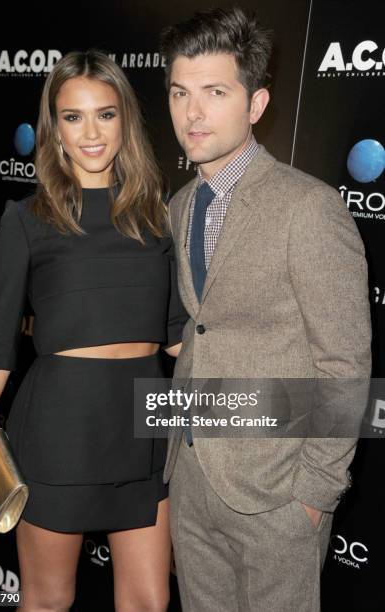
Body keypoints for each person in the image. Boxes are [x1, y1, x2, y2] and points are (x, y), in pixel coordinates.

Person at [0, 49, 187, 612]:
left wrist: (260, 394)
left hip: (145, 428)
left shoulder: (158, 217)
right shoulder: (28, 218)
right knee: (48, 602)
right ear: (54, 127)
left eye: (105, 114)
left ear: (125, 121)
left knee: (149, 602)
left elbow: (180, 336)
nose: (91, 132)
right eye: (73, 116)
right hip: (59, 432)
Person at [159, 7, 371, 612]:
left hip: (279, 495)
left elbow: (345, 364)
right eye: (180, 93)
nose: (193, 113)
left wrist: (314, 492)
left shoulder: (309, 209)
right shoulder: (177, 207)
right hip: (194, 479)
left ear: (255, 105)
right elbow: (201, 331)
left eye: (215, 92)